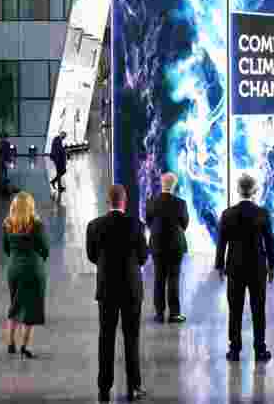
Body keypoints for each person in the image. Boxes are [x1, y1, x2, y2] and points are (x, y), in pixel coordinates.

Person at [87, 185, 148, 402]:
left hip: (106, 290)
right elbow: (143, 257)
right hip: (132, 290)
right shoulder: (136, 226)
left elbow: (92, 255)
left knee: (106, 337)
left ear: (108, 201)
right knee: (132, 337)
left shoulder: (94, 226)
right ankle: (134, 387)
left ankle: (104, 389)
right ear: (125, 201)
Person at [215, 173, 274, 363]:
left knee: (235, 309)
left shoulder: (227, 214)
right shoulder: (262, 213)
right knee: (258, 310)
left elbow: (221, 243)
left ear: (238, 190)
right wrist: (272, 265)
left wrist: (219, 266)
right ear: (254, 191)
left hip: (234, 268)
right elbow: (270, 241)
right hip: (258, 268)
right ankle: (260, 350)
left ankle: (234, 350)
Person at [3, 192, 50, 359]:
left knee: (15, 306)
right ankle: (25, 346)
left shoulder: (8, 223)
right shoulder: (36, 225)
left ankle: (10, 344)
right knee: (29, 310)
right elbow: (45, 248)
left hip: (13, 269)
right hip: (33, 270)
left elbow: (6, 248)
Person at [144, 172, 189, 324]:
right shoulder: (180, 203)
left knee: (158, 278)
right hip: (176, 246)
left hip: (157, 245)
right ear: (174, 186)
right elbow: (184, 224)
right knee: (173, 279)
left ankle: (159, 314)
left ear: (161, 184)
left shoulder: (151, 202)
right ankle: (174, 314)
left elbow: (149, 222)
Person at [50, 131, 68, 196]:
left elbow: (60, 149)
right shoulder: (57, 140)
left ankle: (54, 182)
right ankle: (59, 186)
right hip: (57, 158)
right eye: (64, 136)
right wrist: (64, 149)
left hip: (58, 158)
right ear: (61, 135)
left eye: (64, 137)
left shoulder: (58, 140)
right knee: (60, 172)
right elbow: (59, 149)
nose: (64, 137)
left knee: (62, 171)